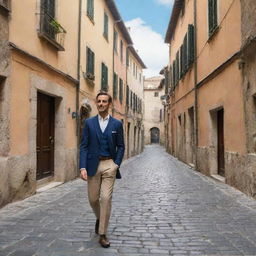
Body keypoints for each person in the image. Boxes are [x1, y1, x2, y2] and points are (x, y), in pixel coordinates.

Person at [80, 91, 125, 248]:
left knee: (105, 199)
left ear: (109, 104)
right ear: (96, 103)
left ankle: (103, 234)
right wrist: (83, 166)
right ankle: (100, 217)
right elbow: (84, 146)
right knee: (93, 199)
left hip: (109, 165)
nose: (101, 104)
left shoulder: (117, 124)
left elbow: (121, 146)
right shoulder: (89, 123)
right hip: (93, 165)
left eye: (104, 101)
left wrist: (116, 164)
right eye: (98, 101)